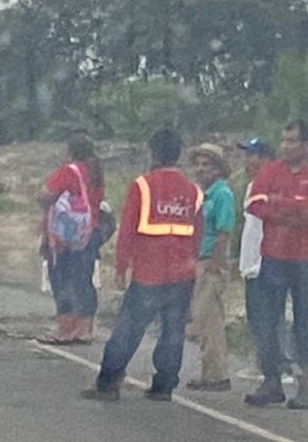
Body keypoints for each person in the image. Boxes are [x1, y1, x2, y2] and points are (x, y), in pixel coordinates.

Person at [84, 127, 202, 402]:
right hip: (182, 274)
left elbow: (128, 230)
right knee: (173, 332)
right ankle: (163, 386)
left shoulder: (143, 186)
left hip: (149, 274)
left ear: (154, 153)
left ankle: (109, 382)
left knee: (128, 329)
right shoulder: (192, 191)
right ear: (177, 154)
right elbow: (197, 234)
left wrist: (121, 267)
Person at [242, 120, 308, 408]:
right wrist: (292, 211)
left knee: (304, 325)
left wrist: (278, 204)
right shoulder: (271, 171)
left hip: (304, 259)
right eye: (283, 139)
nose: (286, 145)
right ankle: (271, 382)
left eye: (292, 140)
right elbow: (254, 203)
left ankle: (305, 387)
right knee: (267, 322)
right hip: (273, 257)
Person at [36, 134, 107, 346]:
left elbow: (46, 195)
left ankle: (65, 327)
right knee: (83, 279)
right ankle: (85, 327)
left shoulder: (69, 171)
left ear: (70, 151)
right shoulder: (96, 173)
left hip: (65, 236)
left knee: (62, 279)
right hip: (90, 231)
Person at [184, 144, 237, 392]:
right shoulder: (204, 195)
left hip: (211, 262)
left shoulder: (222, 194)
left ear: (219, 169)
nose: (202, 169)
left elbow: (224, 231)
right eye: (199, 164)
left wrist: (216, 264)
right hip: (200, 259)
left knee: (209, 319)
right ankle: (211, 371)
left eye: (208, 164)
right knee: (203, 319)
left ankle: (216, 375)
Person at [235, 138, 282, 404]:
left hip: (264, 264)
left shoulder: (271, 183)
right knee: (260, 321)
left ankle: (272, 376)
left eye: (250, 155)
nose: (245, 161)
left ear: (264, 157)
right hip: (254, 265)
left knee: (265, 322)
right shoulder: (255, 184)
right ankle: (269, 371)